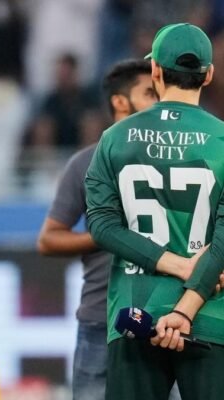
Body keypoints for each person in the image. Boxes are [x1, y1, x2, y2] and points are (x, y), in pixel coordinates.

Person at [85, 23, 224, 399]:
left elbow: (101, 224)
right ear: (209, 75)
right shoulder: (222, 141)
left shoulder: (114, 138)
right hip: (211, 317)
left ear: (156, 72)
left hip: (136, 311)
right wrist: (186, 304)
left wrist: (174, 264)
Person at [38, 59, 157, 400]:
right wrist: (105, 235)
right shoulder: (85, 163)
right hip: (101, 314)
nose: (160, 101)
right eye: (150, 93)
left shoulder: (176, 161)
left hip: (164, 316)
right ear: (120, 102)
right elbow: (48, 239)